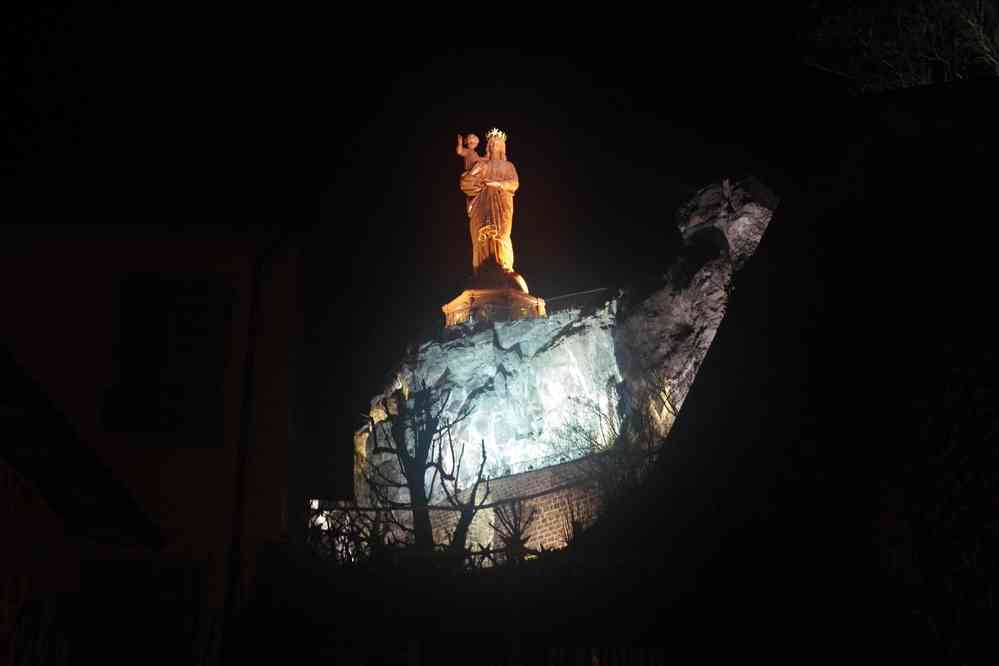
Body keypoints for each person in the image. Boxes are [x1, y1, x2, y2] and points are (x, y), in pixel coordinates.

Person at [459, 128, 521, 283]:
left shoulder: (508, 166)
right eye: (491, 144)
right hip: (482, 204)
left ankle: (504, 267)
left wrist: (497, 184)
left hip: (502, 203)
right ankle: (481, 268)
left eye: (498, 144)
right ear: (488, 147)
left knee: (501, 234)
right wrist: (472, 177)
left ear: (502, 147)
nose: (494, 146)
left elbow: (514, 184)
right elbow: (467, 184)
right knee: (482, 235)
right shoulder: (482, 164)